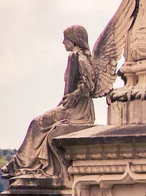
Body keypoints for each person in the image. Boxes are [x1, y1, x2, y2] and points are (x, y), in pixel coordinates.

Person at [1, 25, 95, 179]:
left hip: (77, 110)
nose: (63, 42)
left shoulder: (80, 58)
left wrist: (74, 96)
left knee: (37, 123)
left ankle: (20, 164)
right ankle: (22, 164)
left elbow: (89, 85)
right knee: (37, 123)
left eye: (65, 38)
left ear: (74, 40)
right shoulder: (75, 57)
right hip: (71, 106)